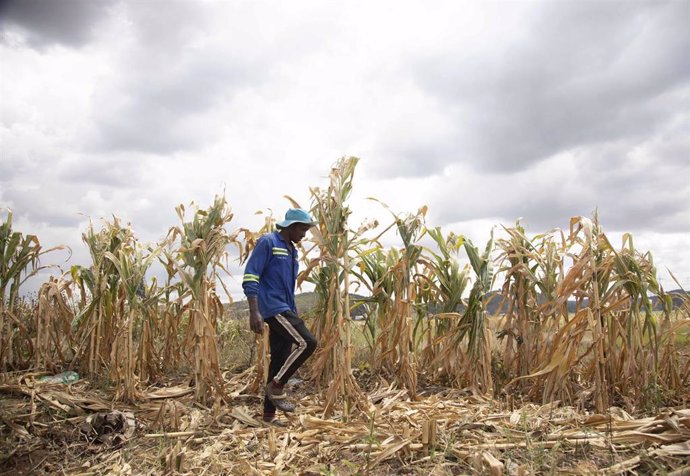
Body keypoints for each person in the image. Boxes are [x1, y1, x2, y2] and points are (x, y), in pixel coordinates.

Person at [242, 208, 318, 424]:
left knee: (279, 360)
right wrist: (254, 310)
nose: (304, 234)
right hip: (272, 307)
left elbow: (287, 286)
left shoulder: (291, 250)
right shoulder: (269, 242)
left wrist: (292, 310)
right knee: (308, 342)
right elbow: (251, 275)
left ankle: (268, 416)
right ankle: (277, 385)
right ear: (291, 226)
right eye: (302, 229)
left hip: (285, 307)